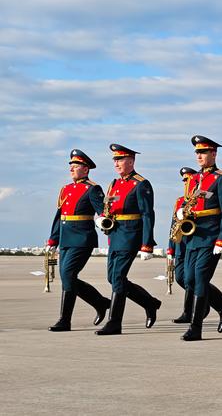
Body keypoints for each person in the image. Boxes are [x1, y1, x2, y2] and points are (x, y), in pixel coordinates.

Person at [95, 144, 160, 335]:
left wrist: (147, 244)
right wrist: (102, 219)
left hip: (131, 235)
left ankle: (114, 322)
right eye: (115, 160)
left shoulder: (141, 184)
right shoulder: (114, 184)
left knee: (117, 277)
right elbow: (109, 208)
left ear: (131, 161)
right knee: (113, 278)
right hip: (115, 235)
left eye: (120, 159)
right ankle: (150, 303)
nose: (116, 163)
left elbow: (148, 215)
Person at [179, 135, 222, 341]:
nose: (199, 156)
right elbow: (188, 202)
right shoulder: (193, 179)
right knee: (188, 279)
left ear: (214, 154)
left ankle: (196, 327)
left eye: (203, 152)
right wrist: (181, 211)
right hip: (193, 236)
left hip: (211, 237)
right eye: (197, 152)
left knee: (201, 279)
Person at [47, 150, 110, 332]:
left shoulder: (92, 189)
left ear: (85, 169)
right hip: (66, 238)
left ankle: (64, 320)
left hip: (83, 238)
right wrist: (53, 239)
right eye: (71, 166)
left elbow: (103, 213)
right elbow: (60, 216)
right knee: (67, 277)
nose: (71, 169)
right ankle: (100, 302)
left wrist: (104, 222)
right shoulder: (66, 189)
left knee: (68, 274)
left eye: (75, 166)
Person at [167, 167, 198, 324]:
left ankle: (189, 311)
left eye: (189, 180)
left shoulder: (200, 198)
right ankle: (203, 301)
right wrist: (170, 247)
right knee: (180, 278)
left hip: (194, 243)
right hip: (180, 245)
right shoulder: (179, 201)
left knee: (191, 280)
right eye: (185, 181)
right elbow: (174, 224)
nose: (186, 183)